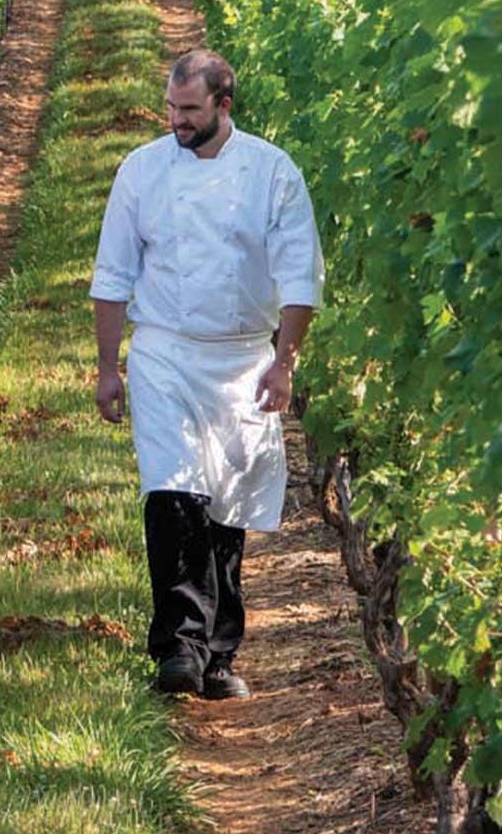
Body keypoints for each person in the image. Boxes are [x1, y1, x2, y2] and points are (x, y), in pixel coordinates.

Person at [89, 49, 322, 699]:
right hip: (164, 350)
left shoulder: (271, 173)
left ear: (224, 105)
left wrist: (285, 361)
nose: (176, 121)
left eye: (189, 110)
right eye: (170, 107)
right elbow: (111, 276)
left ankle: (221, 654)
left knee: (228, 508)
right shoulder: (141, 171)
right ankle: (179, 648)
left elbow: (301, 275)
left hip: (244, 356)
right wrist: (109, 368)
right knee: (172, 493)